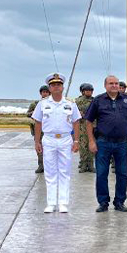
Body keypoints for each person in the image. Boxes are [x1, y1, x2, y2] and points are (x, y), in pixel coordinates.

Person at [85, 75, 127, 212]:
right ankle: (103, 202)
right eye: (111, 83)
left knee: (123, 173)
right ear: (105, 85)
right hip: (103, 143)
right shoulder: (98, 100)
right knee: (102, 173)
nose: (114, 85)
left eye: (116, 83)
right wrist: (91, 141)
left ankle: (120, 201)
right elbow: (88, 121)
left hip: (122, 143)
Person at [33, 73, 80, 213]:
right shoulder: (43, 104)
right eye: (53, 85)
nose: (56, 87)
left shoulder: (70, 104)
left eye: (58, 84)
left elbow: (76, 122)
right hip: (49, 139)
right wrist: (37, 142)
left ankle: (63, 203)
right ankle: (51, 203)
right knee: (50, 172)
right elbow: (37, 122)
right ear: (49, 87)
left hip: (66, 139)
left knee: (65, 171)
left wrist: (76, 140)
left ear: (63, 87)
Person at [27, 85, 52, 173]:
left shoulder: (52, 103)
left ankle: (49, 166)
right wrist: (33, 113)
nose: (45, 94)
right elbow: (28, 113)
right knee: (39, 148)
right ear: (41, 93)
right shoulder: (36, 103)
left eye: (46, 92)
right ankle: (41, 165)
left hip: (48, 130)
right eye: (43, 92)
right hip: (38, 130)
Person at [74, 83, 95, 173]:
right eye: (87, 91)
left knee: (92, 145)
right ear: (83, 91)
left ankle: (90, 165)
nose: (89, 92)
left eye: (90, 91)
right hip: (82, 127)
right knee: (82, 147)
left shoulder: (95, 101)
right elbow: (74, 113)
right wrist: (80, 114)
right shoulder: (78, 101)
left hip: (92, 127)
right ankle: (83, 164)